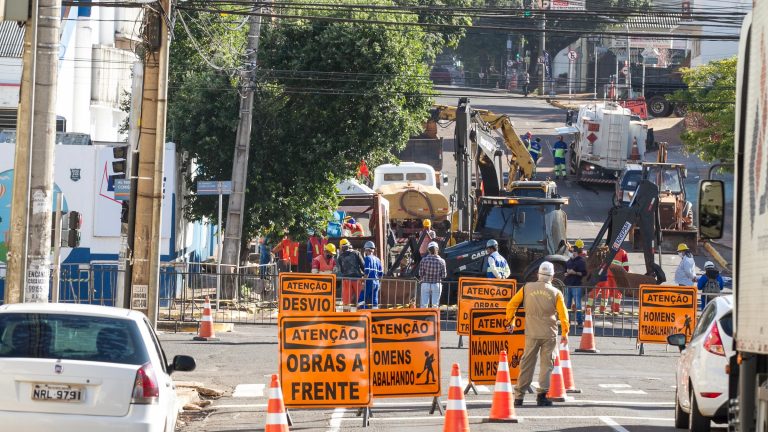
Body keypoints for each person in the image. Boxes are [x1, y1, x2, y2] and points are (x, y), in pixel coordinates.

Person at [506, 261, 569, 407]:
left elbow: (512, 305)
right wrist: (565, 331)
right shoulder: (556, 293)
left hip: (531, 332)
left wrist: (511, 321)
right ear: (552, 277)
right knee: (547, 365)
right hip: (549, 333)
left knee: (527, 363)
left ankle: (519, 397)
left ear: (537, 274)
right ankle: (542, 396)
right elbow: (563, 314)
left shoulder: (527, 288)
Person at [418, 241, 447, 308]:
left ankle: (423, 318)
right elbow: (444, 275)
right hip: (437, 284)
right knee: (435, 305)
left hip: (425, 283)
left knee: (424, 305)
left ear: (428, 250)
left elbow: (421, 273)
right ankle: (434, 318)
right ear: (437, 249)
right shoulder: (442, 261)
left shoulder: (424, 260)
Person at [338, 238, 365, 307]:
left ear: (341, 247)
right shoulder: (356, 253)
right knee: (360, 299)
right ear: (349, 245)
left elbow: (341, 270)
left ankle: (346, 314)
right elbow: (363, 266)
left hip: (346, 280)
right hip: (357, 279)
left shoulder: (340, 257)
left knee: (346, 300)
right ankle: (362, 313)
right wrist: (365, 275)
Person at [565, 244, 587, 326]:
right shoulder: (569, 261)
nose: (570, 253)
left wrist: (575, 273)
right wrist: (566, 273)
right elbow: (565, 270)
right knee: (568, 304)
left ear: (576, 253)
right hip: (568, 285)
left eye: (572, 251)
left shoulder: (581, 261)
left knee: (578, 304)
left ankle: (580, 322)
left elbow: (584, 273)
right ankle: (567, 321)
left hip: (577, 285)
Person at [359, 241, 384, 309]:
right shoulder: (378, 260)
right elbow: (381, 273)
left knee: (361, 299)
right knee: (374, 301)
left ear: (367, 250)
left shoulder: (367, 258)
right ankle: (374, 313)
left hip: (369, 281)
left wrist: (363, 281)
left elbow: (367, 271)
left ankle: (365, 311)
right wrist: (379, 283)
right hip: (376, 282)